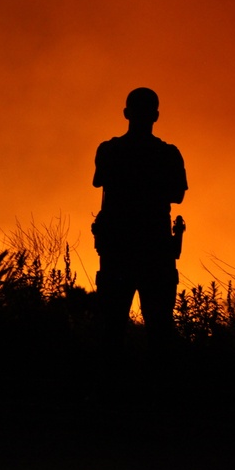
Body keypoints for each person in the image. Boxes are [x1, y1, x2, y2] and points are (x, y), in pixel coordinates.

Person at [92, 87, 187, 378]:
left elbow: (99, 181)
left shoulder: (110, 150)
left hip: (119, 252)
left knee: (112, 328)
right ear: (156, 116)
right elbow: (178, 195)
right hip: (155, 253)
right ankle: (157, 395)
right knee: (159, 329)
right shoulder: (167, 154)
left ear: (126, 113)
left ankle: (110, 391)